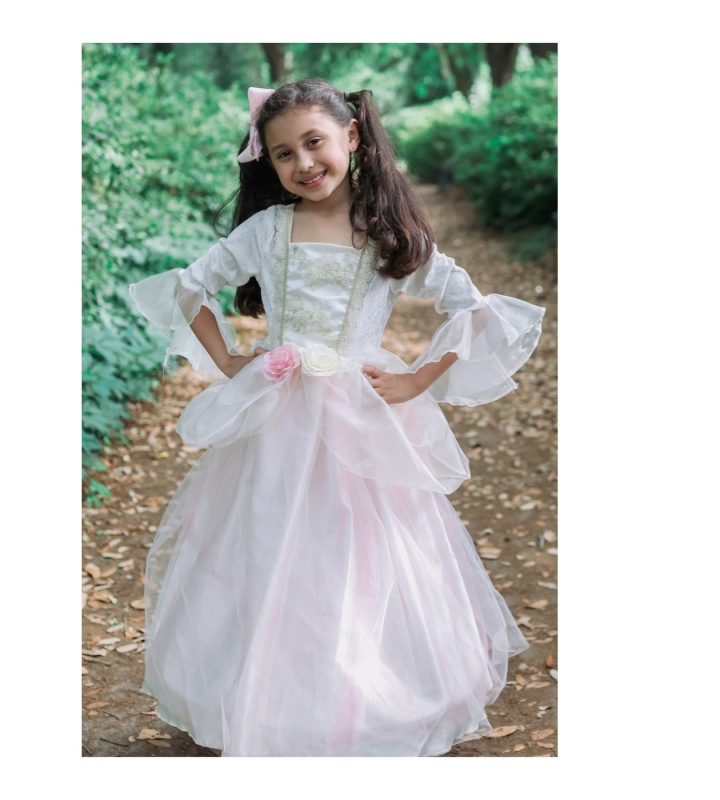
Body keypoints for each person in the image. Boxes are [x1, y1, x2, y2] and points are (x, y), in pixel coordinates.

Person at [129, 79, 545, 757]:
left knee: (359, 544)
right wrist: (229, 359)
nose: (302, 163)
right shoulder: (267, 230)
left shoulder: (387, 235)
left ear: (351, 136)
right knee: (267, 536)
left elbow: (470, 307)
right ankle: (263, 695)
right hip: (277, 416)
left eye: (314, 142)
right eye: (282, 153)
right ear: (268, 162)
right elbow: (191, 286)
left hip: (359, 419)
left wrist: (419, 378)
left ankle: (360, 694)